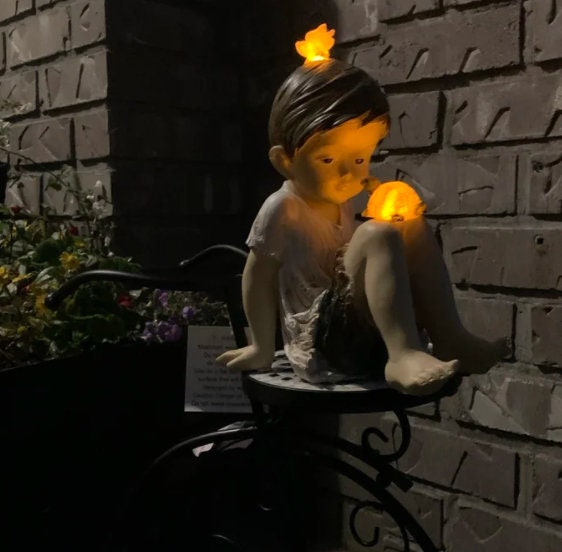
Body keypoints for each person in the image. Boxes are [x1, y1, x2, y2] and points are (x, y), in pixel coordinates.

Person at [217, 45, 507, 396]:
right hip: (323, 344)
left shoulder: (340, 197)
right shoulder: (283, 207)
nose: (346, 174)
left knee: (409, 218)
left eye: (359, 160)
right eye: (327, 160)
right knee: (378, 234)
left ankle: (449, 336)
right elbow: (257, 276)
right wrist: (261, 346)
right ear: (285, 161)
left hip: (361, 328)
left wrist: (386, 199)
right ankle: (402, 354)